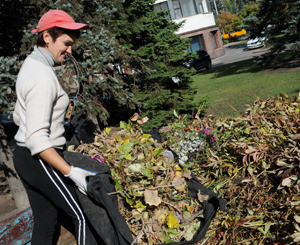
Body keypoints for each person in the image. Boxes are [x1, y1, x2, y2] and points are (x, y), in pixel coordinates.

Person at [13, 10, 96, 245]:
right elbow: (38, 140)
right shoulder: (42, 76)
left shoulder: (32, 64)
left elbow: (19, 116)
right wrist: (71, 172)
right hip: (40, 158)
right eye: (66, 43)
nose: (70, 50)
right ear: (47, 36)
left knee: (46, 222)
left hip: (24, 157)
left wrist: (58, 126)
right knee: (83, 218)